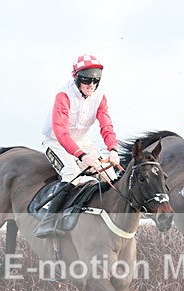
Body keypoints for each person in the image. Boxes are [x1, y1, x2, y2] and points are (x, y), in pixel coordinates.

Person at [37, 53, 121, 238]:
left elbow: (106, 126)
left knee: (110, 176)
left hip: (83, 142)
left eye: (95, 80)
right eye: (86, 80)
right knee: (72, 175)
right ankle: (48, 221)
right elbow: (61, 132)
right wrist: (82, 156)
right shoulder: (63, 95)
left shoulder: (100, 97)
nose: (91, 84)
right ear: (76, 78)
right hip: (56, 142)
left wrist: (113, 150)